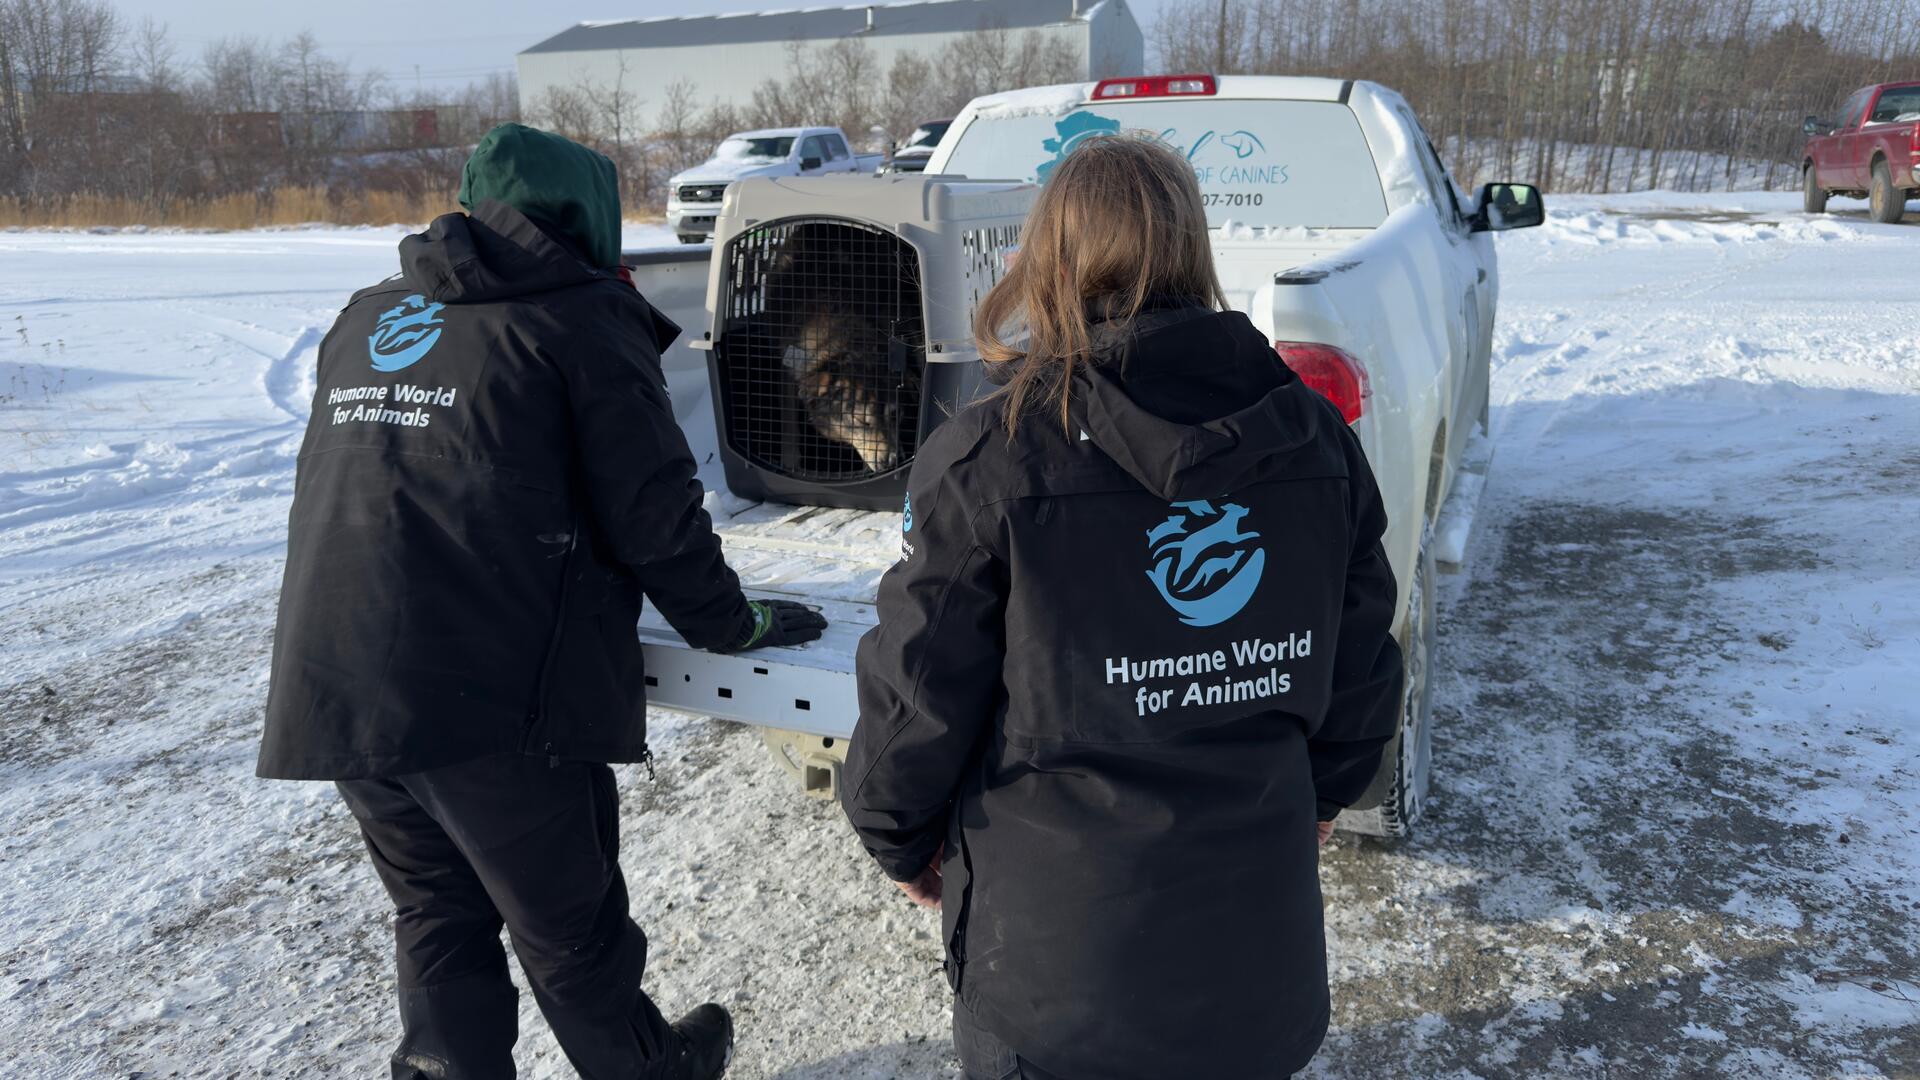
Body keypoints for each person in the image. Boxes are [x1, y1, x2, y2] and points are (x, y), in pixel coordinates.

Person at [258, 123, 825, 1080]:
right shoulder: (579, 321)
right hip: (489, 691)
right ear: (588, 216)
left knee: (437, 911)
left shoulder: (368, 312)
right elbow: (655, 515)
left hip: (338, 674)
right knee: (571, 932)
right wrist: (739, 623)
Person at [839, 134, 1404, 1079]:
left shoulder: (996, 451)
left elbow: (916, 691)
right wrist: (1329, 788)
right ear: (1192, 249)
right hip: (1251, 969)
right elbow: (1362, 656)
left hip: (1056, 988)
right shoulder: (1310, 433)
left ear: (1050, 257)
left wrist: (897, 836)